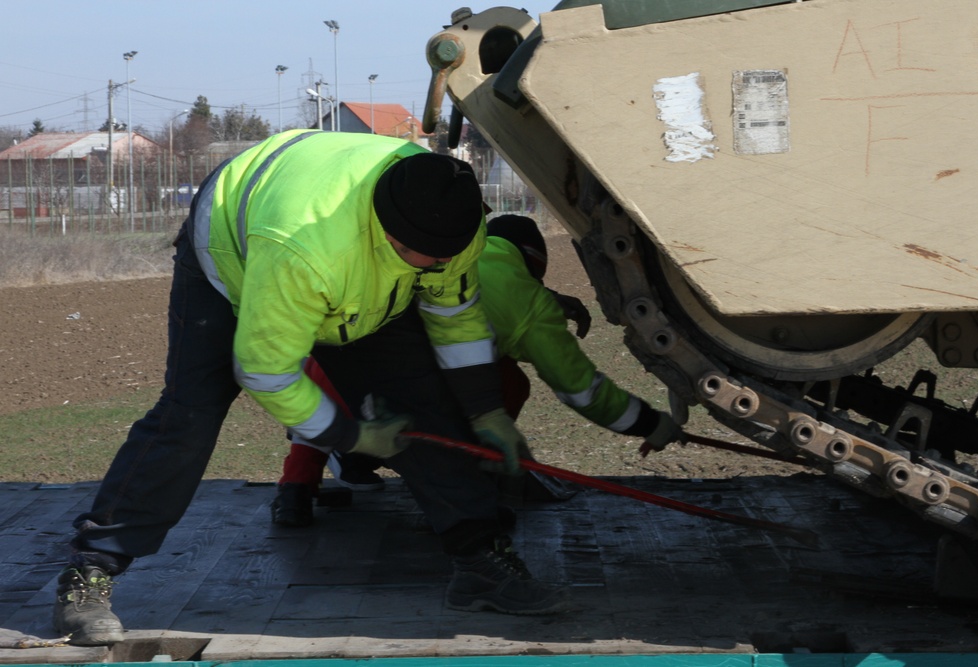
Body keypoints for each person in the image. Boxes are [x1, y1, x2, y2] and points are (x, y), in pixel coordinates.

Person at [53, 131, 565, 647]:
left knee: (422, 404)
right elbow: (267, 371)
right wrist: (352, 436)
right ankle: (90, 570)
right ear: (387, 232)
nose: (434, 268)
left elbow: (453, 314)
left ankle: (479, 560)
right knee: (190, 413)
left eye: (443, 258)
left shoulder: (450, 218)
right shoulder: (300, 249)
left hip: (359, 283)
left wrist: (486, 411)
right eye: (422, 257)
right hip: (238, 253)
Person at [272, 214, 683, 523]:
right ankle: (471, 490)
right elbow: (582, 391)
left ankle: (294, 490)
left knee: (339, 356)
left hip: (326, 382)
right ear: (534, 267)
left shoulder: (440, 246)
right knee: (503, 380)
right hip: (417, 395)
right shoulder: (529, 304)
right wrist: (648, 423)